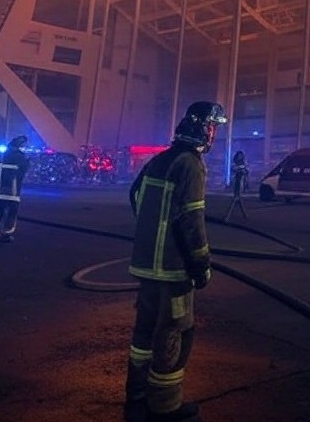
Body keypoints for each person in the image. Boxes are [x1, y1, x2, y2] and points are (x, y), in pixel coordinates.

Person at [124, 101, 227, 422]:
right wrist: (201, 266)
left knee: (143, 333)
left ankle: (136, 394)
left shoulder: (160, 160)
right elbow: (191, 221)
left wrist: (152, 235)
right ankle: (165, 404)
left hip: (145, 266)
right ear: (203, 128)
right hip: (173, 270)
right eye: (213, 127)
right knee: (175, 332)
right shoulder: (190, 164)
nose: (214, 133)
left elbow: (135, 197)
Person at [0, 135, 31, 243]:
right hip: (13, 190)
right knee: (12, 211)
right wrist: (28, 162)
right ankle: (7, 233)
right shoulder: (21, 156)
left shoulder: (3, 155)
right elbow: (23, 171)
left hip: (1, 188)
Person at [224, 150, 248, 222]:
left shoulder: (244, 164)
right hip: (236, 182)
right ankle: (229, 216)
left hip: (240, 183)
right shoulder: (234, 164)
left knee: (238, 199)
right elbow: (234, 170)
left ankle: (230, 216)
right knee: (237, 199)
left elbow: (246, 171)